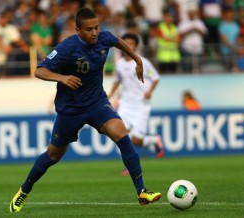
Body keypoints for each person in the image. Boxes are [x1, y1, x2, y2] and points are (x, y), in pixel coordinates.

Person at [9, 7, 161, 213]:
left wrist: (137, 59)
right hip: (71, 109)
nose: (94, 33)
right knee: (53, 155)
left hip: (97, 102)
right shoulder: (66, 48)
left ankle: (142, 191)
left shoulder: (103, 38)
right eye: (89, 29)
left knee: (121, 133)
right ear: (77, 30)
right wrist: (61, 77)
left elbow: (117, 40)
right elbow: (39, 70)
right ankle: (24, 190)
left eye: (96, 28)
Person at [108, 33, 164, 175]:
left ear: (136, 45)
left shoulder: (142, 61)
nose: (128, 46)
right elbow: (117, 81)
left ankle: (154, 140)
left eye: (131, 43)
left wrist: (150, 90)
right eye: (126, 43)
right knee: (119, 135)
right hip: (125, 104)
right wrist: (109, 95)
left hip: (141, 104)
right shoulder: (119, 64)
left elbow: (156, 77)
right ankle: (127, 166)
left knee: (137, 140)